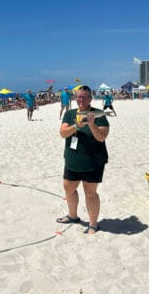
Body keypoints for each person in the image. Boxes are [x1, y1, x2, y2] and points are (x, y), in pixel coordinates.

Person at [57, 85, 109, 234]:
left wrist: (91, 124)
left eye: (84, 97)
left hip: (93, 162)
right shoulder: (70, 114)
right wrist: (76, 126)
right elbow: (62, 133)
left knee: (90, 192)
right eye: (78, 96)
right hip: (73, 159)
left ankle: (93, 224)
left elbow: (102, 137)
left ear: (90, 99)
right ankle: (73, 216)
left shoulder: (98, 115)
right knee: (68, 187)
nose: (80, 99)